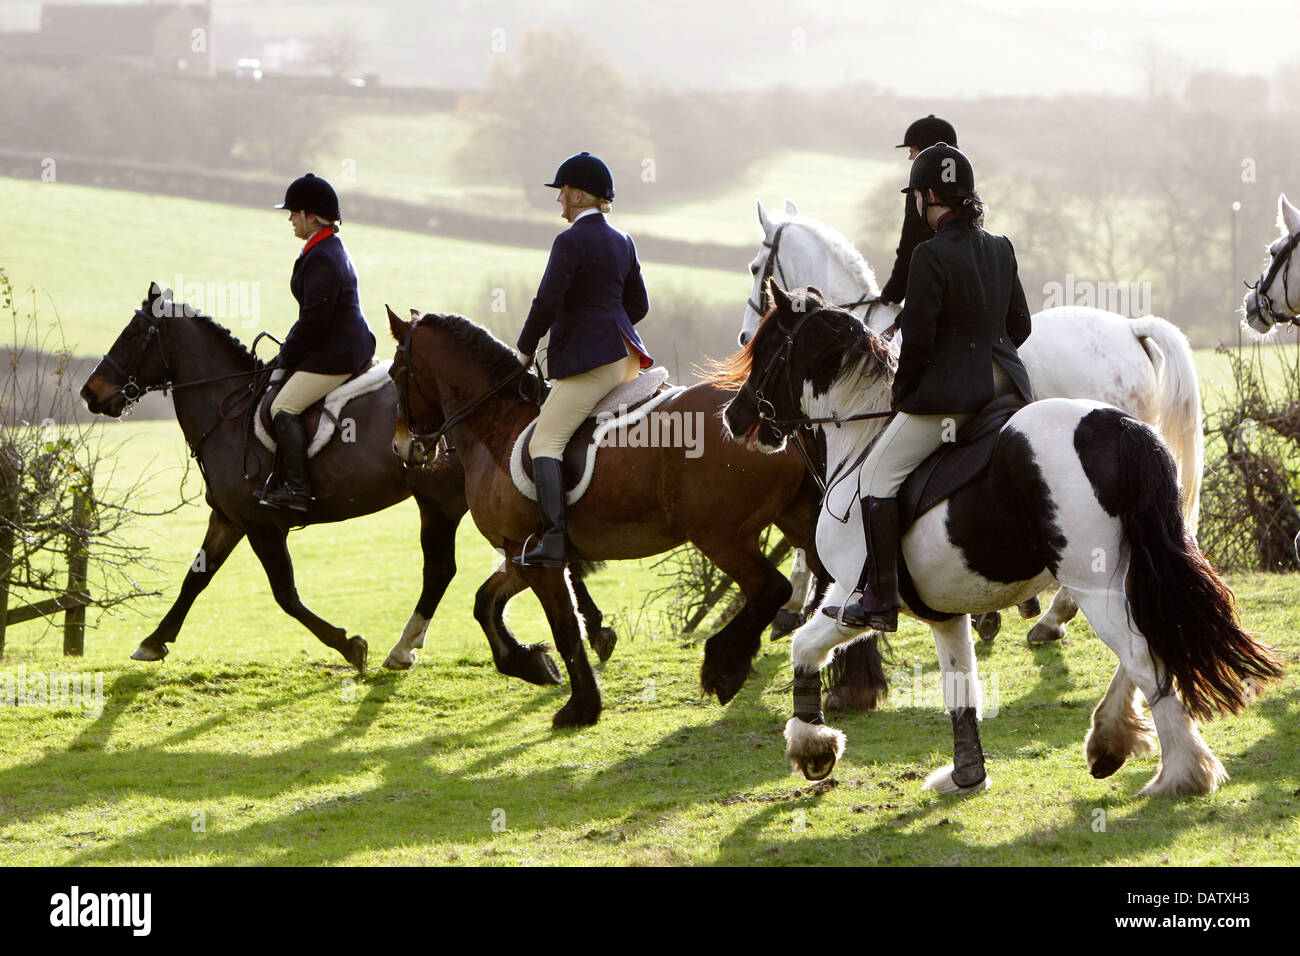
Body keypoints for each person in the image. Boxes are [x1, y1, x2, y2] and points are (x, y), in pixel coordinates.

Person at [824, 144, 1033, 631]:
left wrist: (905, 390)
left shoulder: (929, 255)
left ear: (929, 196)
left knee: (875, 478)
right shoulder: (1001, 247)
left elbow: (916, 343)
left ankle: (879, 597)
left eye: (916, 194)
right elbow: (1019, 325)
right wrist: (989, 352)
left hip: (955, 401)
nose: (915, 202)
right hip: (1008, 389)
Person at [514, 151, 652, 567]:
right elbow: (639, 305)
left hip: (594, 363)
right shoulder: (623, 240)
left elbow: (547, 303)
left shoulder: (569, 240)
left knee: (545, 441)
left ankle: (554, 540)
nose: (558, 201)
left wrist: (524, 349)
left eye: (562, 193)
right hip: (626, 356)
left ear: (577, 195)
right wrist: (607, 321)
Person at [259, 172, 376, 511]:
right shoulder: (325, 248)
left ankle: (297, 489)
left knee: (283, 406)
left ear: (312, 216)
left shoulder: (323, 255)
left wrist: (284, 359)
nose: (291, 220)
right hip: (335, 345)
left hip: (337, 353)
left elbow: (313, 321)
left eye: (294, 213)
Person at [879, 115, 959, 307]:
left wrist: (890, 295)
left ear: (928, 151)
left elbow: (909, 248)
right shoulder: (969, 192)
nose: (910, 157)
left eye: (913, 150)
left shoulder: (922, 193)